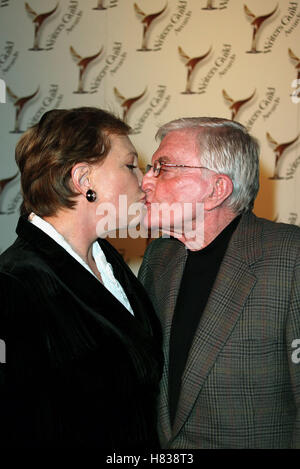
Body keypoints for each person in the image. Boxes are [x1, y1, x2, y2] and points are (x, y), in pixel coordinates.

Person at [0, 107, 163, 448]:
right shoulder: (14, 284)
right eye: (130, 165)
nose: (145, 180)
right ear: (83, 179)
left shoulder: (111, 266)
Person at [139, 117, 300, 449]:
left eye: (163, 168)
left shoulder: (291, 256)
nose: (145, 181)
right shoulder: (159, 257)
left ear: (216, 189)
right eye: (150, 167)